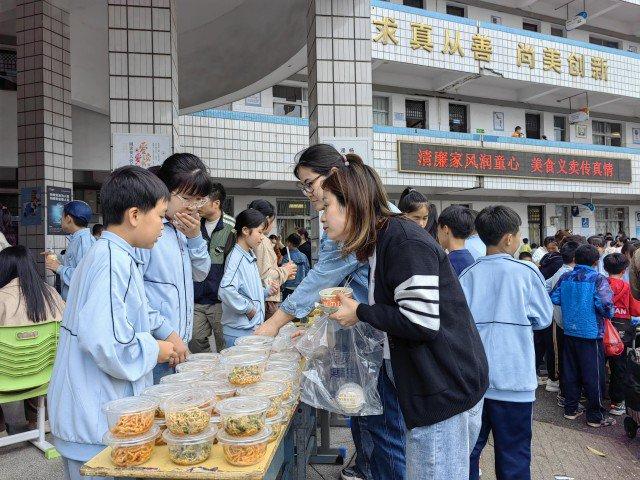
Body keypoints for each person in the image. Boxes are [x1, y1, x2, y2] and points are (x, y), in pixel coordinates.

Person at [325, 156, 488, 480]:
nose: (321, 217)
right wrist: (360, 307)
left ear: (351, 205)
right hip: (425, 386)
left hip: (443, 389)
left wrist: (360, 311)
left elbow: (421, 322)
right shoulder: (381, 242)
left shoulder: (402, 240)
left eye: (325, 206)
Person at [254, 144, 406, 480]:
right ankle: (366, 469)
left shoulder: (359, 217)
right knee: (365, 412)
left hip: (382, 335)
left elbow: (326, 273)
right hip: (369, 331)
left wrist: (275, 322)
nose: (309, 194)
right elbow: (335, 281)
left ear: (335, 177)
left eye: (310, 183)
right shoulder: (351, 212)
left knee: (385, 425)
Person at [48, 166, 178, 480]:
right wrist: (155, 349)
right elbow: (106, 343)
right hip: (93, 421)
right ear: (135, 215)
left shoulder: (114, 254)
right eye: (161, 216)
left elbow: (130, 314)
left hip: (96, 414)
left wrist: (165, 335)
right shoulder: (109, 261)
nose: (164, 225)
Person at [459, 206, 553, 480]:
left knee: (467, 454)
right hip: (515, 382)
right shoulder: (525, 273)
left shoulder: (468, 275)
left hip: (474, 384)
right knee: (514, 456)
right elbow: (544, 319)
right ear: (509, 239)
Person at [139, 153, 212, 383]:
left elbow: (201, 274)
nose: (193, 208)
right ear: (165, 191)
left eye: (199, 201)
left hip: (179, 344)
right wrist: (166, 333)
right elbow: (135, 295)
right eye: (188, 198)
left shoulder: (183, 228)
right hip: (156, 345)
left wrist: (195, 238)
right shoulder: (149, 230)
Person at [0, 245, 64, 437]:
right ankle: (37, 420)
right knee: (37, 354)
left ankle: (2, 428)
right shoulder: (51, 294)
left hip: (6, 377)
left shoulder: (2, 297)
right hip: (42, 376)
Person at [550, 244, 616, 428]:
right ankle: (595, 415)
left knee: (570, 371)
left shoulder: (565, 276)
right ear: (596, 262)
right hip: (591, 333)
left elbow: (554, 297)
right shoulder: (598, 279)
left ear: (576, 259)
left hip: (569, 330)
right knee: (593, 375)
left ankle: (571, 409)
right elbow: (606, 306)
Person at [218, 209, 277, 347]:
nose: (262, 237)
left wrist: (266, 291)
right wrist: (248, 309)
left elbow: (246, 291)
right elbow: (226, 290)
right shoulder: (236, 257)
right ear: (245, 230)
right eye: (260, 232)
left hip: (248, 330)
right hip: (239, 333)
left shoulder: (248, 255)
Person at [190, 182, 235, 354]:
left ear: (216, 203)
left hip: (220, 302)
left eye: (202, 200)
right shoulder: (193, 224)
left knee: (224, 347)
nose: (197, 204)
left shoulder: (232, 227)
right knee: (195, 341)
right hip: (197, 299)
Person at [603, 253, 640, 416]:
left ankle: (596, 395)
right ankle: (616, 402)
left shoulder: (601, 284)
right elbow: (635, 310)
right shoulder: (627, 287)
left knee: (599, 363)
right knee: (619, 367)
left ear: (604, 268)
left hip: (601, 328)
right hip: (622, 333)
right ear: (625, 270)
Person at [545, 240, 582, 400]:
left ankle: (561, 384)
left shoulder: (561, 272)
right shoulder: (567, 274)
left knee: (563, 353)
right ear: (576, 257)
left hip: (562, 321)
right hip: (563, 321)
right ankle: (558, 383)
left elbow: (545, 288)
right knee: (560, 353)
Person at [247, 200, 296, 320]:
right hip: (267, 298)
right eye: (273, 221)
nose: (273, 225)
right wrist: (285, 270)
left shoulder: (250, 237)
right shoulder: (262, 240)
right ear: (267, 219)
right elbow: (264, 275)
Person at [43, 200, 95, 300]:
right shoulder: (78, 239)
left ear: (68, 219)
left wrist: (59, 268)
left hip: (78, 304)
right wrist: (56, 260)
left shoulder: (84, 242)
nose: (60, 219)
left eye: (61, 216)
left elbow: (85, 277)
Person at [436, 205, 476, 276]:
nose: (437, 235)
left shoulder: (446, 263)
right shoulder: (472, 260)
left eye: (438, 230)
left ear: (445, 229)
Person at [281, 233, 310, 300]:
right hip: (301, 287)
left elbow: (283, 273)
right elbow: (307, 271)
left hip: (288, 287)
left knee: (287, 309)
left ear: (289, 243)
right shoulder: (304, 256)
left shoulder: (286, 257)